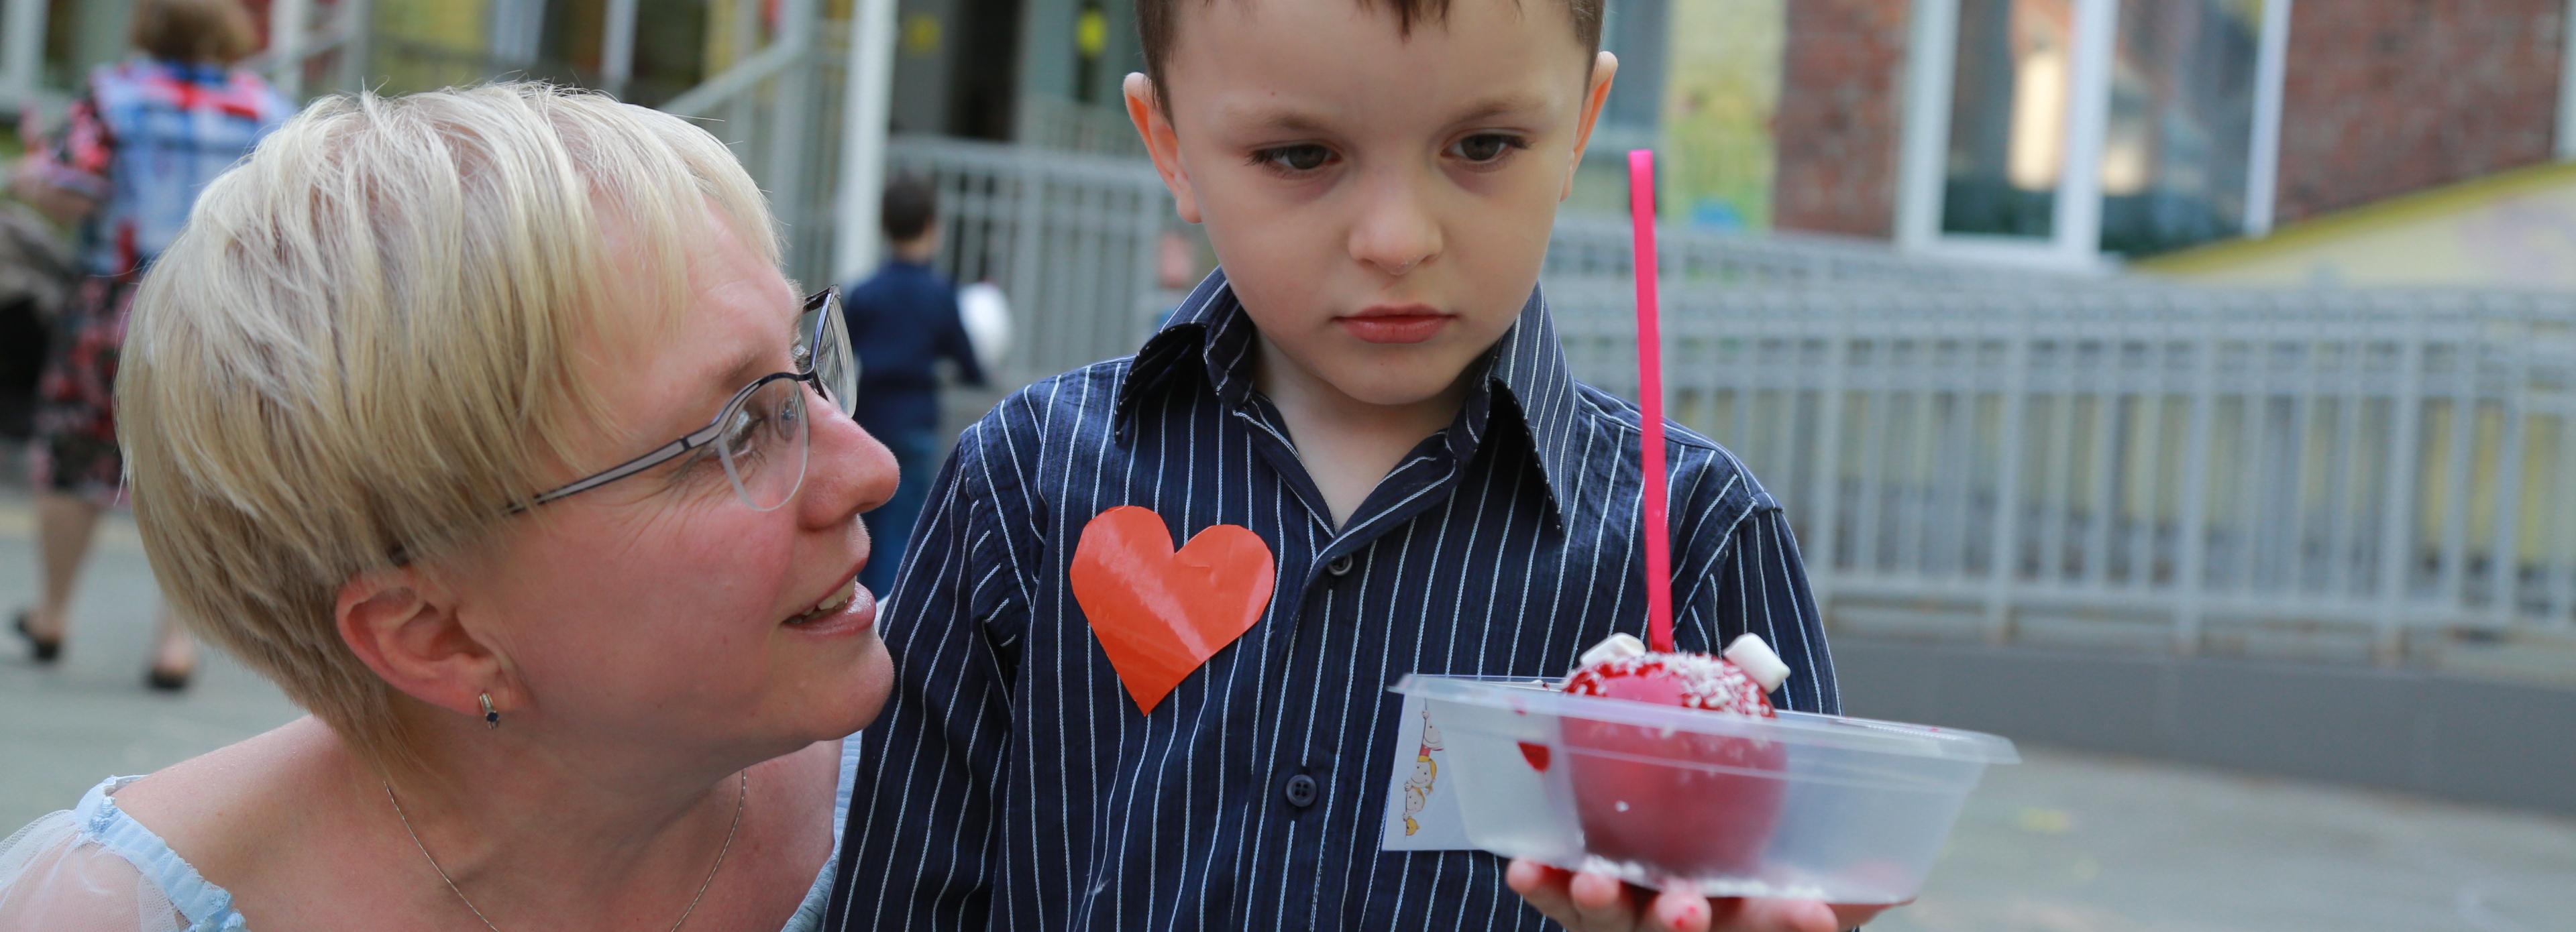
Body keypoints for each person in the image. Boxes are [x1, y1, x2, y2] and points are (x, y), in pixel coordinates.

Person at [824, 1, 1876, 930]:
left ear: (1581, 127)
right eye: (1299, 155)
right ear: (1171, 145)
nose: (1395, 238)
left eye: (1483, 144)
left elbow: (1789, 895)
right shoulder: (1025, 490)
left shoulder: (1696, 541)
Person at [0, 82, 900, 932]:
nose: (872, 469)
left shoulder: (953, 750)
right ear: (436, 634)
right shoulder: (114, 911)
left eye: (803, 361)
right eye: (736, 429)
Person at [8, 0, 294, 690]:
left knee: (75, 452)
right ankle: (176, 644)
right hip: (216, 308)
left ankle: (52, 615)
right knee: (202, 469)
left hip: (113, 303)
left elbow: (74, 192)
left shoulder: (114, 95)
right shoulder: (267, 108)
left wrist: (30, 178)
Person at [839, 176, 988, 598]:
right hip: (916, 420)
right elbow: (968, 361)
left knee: (863, 525)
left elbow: (837, 355)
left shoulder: (865, 293)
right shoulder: (939, 294)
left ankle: (854, 602)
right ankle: (888, 616)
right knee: (903, 530)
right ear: (931, 226)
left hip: (869, 421)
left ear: (885, 225)